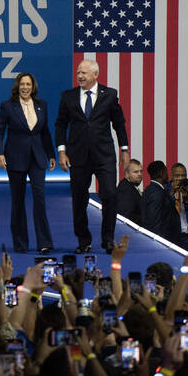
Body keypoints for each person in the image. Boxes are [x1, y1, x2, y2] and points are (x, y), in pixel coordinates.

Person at [54, 59, 130, 253]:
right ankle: (83, 240)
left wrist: (124, 149)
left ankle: (107, 239)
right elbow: (61, 124)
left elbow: (119, 124)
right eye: (78, 72)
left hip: (104, 155)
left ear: (95, 75)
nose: (80, 76)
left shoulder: (110, 95)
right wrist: (61, 151)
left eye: (84, 73)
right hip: (77, 156)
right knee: (79, 199)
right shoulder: (68, 96)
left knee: (110, 195)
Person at [0, 72, 56, 253]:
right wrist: (0, 153)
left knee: (40, 199)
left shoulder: (41, 105)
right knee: (18, 201)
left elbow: (45, 132)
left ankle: (44, 242)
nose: (25, 88)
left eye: (28, 84)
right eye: (22, 84)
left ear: (33, 87)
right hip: (15, 159)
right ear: (17, 87)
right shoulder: (7, 106)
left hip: (37, 159)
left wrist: (50, 154)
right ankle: (21, 244)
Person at [140, 159, 176, 245]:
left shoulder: (151, 190)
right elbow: (154, 222)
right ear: (161, 173)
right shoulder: (156, 192)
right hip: (160, 242)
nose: (168, 174)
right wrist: (159, 244)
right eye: (166, 170)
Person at [115, 158, 143, 226]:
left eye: (141, 171)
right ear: (127, 174)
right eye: (136, 172)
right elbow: (126, 217)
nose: (139, 174)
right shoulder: (125, 189)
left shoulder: (130, 186)